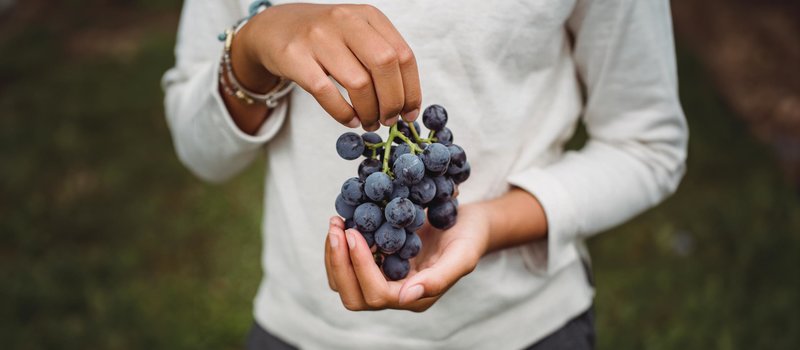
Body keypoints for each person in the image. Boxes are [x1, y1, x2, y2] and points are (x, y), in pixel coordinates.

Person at [162, 0, 688, 348]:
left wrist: (488, 224)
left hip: (522, 333)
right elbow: (202, 153)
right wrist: (253, 47)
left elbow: (648, 146)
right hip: (296, 332)